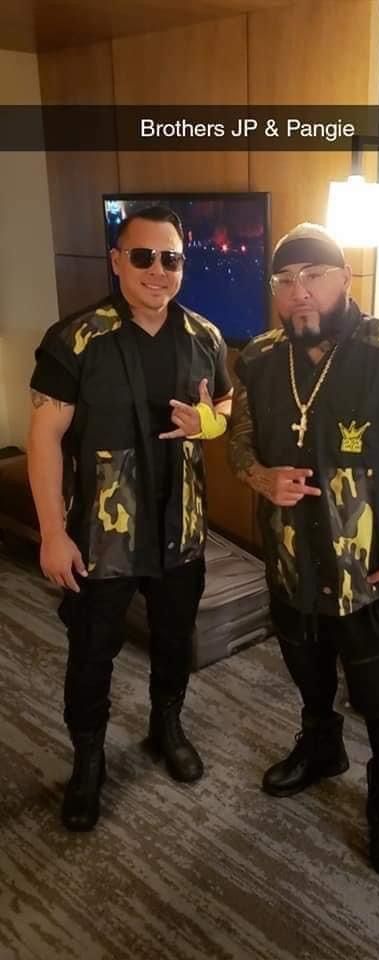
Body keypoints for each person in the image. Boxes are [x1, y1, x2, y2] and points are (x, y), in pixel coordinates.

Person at [228, 222, 379, 877]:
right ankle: (321, 746)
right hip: (290, 564)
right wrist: (260, 478)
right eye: (284, 280)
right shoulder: (259, 358)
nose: (299, 292)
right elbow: (239, 444)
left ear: (344, 279)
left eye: (313, 276)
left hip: (368, 574)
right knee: (307, 669)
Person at [27, 206, 232, 831]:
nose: (157, 270)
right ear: (116, 261)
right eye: (143, 256)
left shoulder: (205, 336)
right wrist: (52, 533)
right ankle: (88, 759)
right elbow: (44, 438)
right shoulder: (76, 339)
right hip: (101, 536)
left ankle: (165, 726)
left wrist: (210, 423)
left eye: (171, 258)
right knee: (92, 652)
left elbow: (225, 404)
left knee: (174, 640)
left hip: (180, 533)